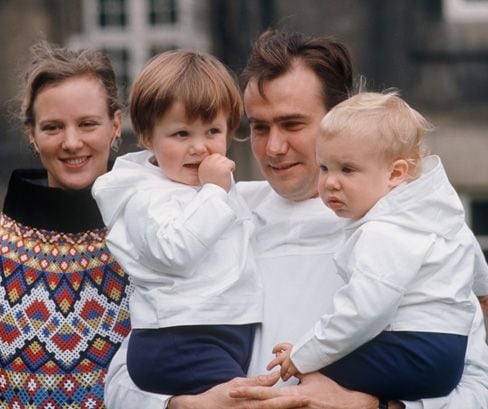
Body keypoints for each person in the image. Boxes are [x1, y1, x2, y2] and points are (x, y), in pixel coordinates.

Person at [104, 30, 488, 409]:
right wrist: (184, 405)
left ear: (342, 119)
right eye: (259, 127)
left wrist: (372, 406)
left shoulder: (416, 223)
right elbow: (126, 377)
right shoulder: (208, 216)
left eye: (292, 124)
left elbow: (474, 383)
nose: (274, 147)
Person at [0, 42, 133, 408]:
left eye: (88, 123)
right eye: (53, 127)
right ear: (31, 133)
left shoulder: (151, 242)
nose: (72, 142)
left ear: (115, 125)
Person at [268, 91, 488, 401]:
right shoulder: (431, 212)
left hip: (413, 350)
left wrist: (303, 354)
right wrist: (481, 289)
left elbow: (362, 311)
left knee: (310, 377)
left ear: (395, 174)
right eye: (325, 168)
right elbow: (467, 244)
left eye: (348, 169)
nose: (331, 182)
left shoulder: (384, 232)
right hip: (446, 352)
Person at [92, 50, 262, 396]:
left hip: (223, 332)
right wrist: (214, 191)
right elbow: (175, 250)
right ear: (146, 135)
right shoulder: (146, 196)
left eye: (213, 131)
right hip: (178, 339)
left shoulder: (213, 190)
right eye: (181, 134)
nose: (199, 148)